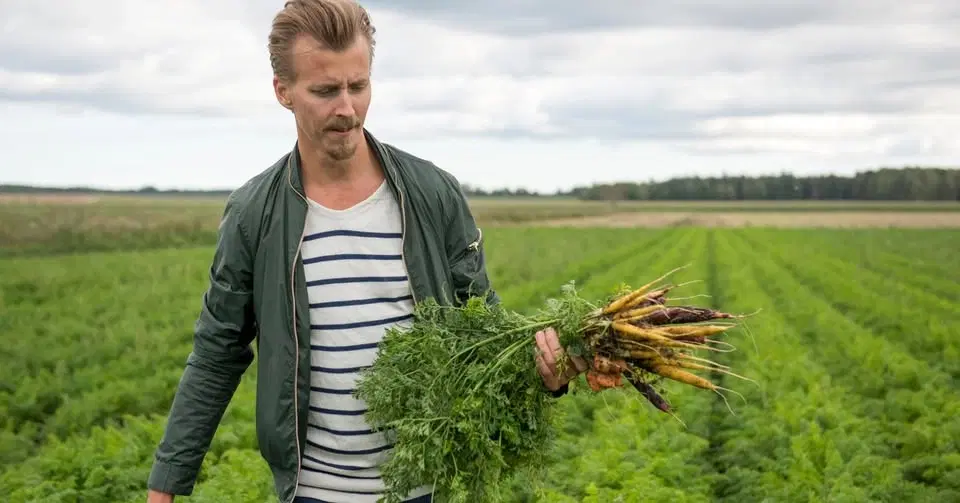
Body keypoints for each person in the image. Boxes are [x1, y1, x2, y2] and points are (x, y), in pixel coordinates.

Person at [145, 1, 593, 502]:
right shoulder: (255, 213)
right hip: (314, 491)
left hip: (423, 482)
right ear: (283, 92)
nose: (347, 108)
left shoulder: (432, 194)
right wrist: (166, 483)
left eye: (358, 86)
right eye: (325, 90)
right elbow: (217, 352)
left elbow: (483, 330)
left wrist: (550, 373)